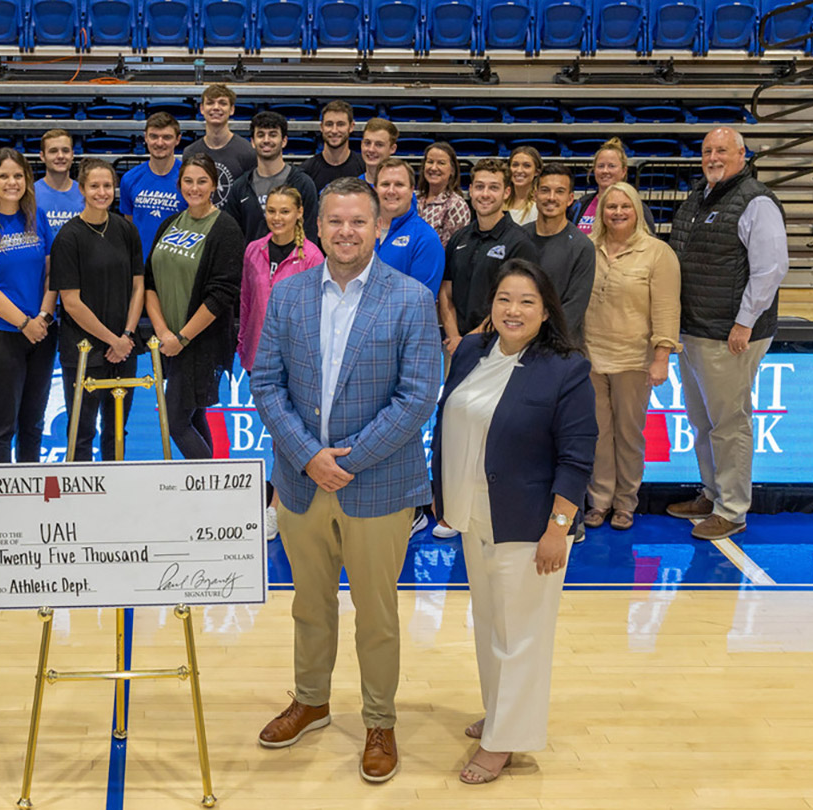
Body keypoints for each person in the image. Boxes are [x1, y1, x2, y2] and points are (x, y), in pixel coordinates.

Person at [251, 177, 440, 784]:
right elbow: (265, 384)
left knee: (377, 614)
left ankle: (379, 720)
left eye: (359, 221)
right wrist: (309, 457)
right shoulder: (289, 295)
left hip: (378, 486)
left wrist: (347, 461)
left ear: (377, 227)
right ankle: (312, 700)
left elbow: (416, 400)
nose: (347, 232)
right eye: (336, 221)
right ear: (318, 226)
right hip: (303, 482)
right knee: (309, 604)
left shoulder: (410, 299)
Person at [431, 259, 595, 785]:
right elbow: (449, 421)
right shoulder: (474, 351)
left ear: (546, 311)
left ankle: (506, 741)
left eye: (527, 301)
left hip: (527, 524)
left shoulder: (565, 368)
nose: (513, 309)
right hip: (474, 514)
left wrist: (558, 527)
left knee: (521, 635)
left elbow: (576, 457)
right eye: (505, 299)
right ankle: (502, 712)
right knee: (491, 626)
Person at [666, 127, 788, 541]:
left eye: (722, 150)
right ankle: (712, 493)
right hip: (695, 329)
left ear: (742, 154)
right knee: (702, 422)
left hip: (729, 334)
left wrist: (744, 322)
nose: (713, 157)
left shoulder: (756, 201)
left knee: (729, 424)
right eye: (706, 150)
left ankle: (733, 509)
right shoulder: (701, 195)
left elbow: (771, 269)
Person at [582, 182, 680, 531]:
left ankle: (625, 503)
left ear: (637, 210)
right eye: (611, 207)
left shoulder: (657, 253)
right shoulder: (586, 248)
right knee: (596, 433)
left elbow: (667, 309)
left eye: (625, 206)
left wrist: (661, 356)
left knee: (628, 433)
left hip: (633, 360)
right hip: (590, 357)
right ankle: (599, 501)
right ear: (601, 212)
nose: (618, 213)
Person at [237, 185, 324, 542]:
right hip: (259, 356)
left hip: (297, 361)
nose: (276, 218)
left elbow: (319, 314)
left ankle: (277, 507)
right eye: (271, 211)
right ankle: (284, 500)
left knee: (289, 435)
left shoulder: (314, 257)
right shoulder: (253, 250)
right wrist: (243, 346)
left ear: (299, 213)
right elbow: (246, 301)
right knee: (274, 436)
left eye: (284, 211)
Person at [144, 154, 244, 460]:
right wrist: (163, 332)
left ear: (213, 184)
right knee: (193, 416)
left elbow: (221, 294)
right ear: (179, 184)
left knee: (175, 422)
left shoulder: (226, 229)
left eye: (202, 181)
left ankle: (215, 489)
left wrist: (183, 338)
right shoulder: (170, 223)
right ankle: (210, 495)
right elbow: (150, 282)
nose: (194, 187)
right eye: (188, 180)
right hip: (169, 341)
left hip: (199, 343)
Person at [0, 148, 57, 464]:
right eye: (3, 176)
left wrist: (42, 316)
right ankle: (0, 505)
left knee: (33, 423)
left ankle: (29, 499)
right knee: (1, 426)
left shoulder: (37, 217)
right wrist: (23, 323)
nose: (11, 182)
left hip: (41, 334)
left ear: (27, 181)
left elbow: (51, 273)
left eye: (18, 175)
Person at [52, 159, 145, 462]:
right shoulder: (68, 237)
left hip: (125, 346)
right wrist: (112, 340)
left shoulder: (125, 230)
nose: (102, 192)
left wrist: (127, 335)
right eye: (94, 185)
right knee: (81, 430)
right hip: (83, 349)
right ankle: (82, 502)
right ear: (81, 189)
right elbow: (71, 302)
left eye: (107, 185)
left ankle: (113, 498)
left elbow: (138, 286)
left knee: (117, 428)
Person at [440, 158, 540, 355]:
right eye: (479, 187)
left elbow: (515, 302)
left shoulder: (520, 243)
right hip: (456, 346)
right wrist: (454, 337)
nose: (485, 194)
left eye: (493, 187)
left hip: (501, 347)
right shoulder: (459, 238)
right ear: (471, 190)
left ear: (506, 192)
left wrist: (471, 339)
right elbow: (446, 292)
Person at [220, 111, 319, 245]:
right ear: (253, 142)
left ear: (284, 141)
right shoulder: (240, 187)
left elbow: (310, 236)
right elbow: (232, 239)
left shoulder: (302, 184)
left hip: (294, 264)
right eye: (261, 135)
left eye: (273, 135)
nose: (266, 140)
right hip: (251, 265)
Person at [531, 163, 596, 339]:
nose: (551, 197)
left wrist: (537, 340)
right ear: (535, 195)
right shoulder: (517, 237)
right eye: (545, 190)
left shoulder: (582, 247)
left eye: (559, 191)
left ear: (570, 199)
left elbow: (573, 309)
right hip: (517, 345)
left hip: (560, 347)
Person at [373, 158, 445, 296]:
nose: (391, 191)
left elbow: (420, 302)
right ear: (375, 188)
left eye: (399, 185)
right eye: (385, 184)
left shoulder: (425, 239)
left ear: (412, 189)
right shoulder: (362, 232)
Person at [120, 112, 188, 257]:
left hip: (177, 264)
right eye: (154, 136)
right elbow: (130, 225)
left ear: (178, 140)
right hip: (140, 265)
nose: (159, 143)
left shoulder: (188, 179)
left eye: (167, 137)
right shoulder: (129, 179)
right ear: (145, 138)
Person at [182, 83, 255, 206]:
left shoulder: (247, 151)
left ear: (232, 109)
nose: (216, 107)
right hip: (201, 223)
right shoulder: (190, 152)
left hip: (234, 224)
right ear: (202, 109)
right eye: (210, 103)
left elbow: (250, 200)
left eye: (222, 103)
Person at [569, 138, 655, 235]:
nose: (605, 171)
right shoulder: (581, 204)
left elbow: (650, 244)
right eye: (601, 166)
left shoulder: (637, 208)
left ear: (624, 171)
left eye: (611, 166)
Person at [299, 100, 366, 191]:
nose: (334, 130)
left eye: (340, 124)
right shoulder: (306, 171)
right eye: (329, 124)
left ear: (351, 127)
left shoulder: (364, 168)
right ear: (321, 127)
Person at [417, 141, 472, 246]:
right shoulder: (415, 200)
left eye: (441, 163)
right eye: (430, 162)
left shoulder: (456, 205)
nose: (433, 168)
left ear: (452, 170)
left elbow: (454, 250)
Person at [35, 129, 85, 239]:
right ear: (42, 156)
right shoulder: (30, 194)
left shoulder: (85, 193)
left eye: (65, 150)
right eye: (53, 151)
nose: (60, 156)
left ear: (72, 154)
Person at [505, 146, 542, 225]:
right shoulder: (499, 201)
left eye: (526, 166)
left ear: (536, 171)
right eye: (515, 165)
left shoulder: (540, 205)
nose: (519, 170)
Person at [358, 118, 398, 187]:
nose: (371, 149)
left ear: (392, 148)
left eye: (379, 144)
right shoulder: (355, 187)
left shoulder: (401, 188)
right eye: (367, 143)